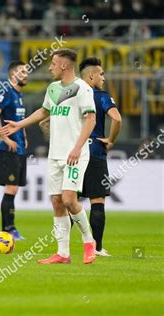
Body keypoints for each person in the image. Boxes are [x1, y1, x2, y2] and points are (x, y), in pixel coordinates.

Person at [1, 48, 97, 264]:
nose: (50, 67)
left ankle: (89, 241)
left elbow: (90, 120)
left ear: (64, 65)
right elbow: (44, 112)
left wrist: (77, 148)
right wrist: (19, 124)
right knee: (56, 201)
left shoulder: (82, 88)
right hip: (56, 154)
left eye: (53, 63)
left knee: (69, 199)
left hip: (75, 154)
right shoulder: (53, 88)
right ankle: (63, 253)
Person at [79, 57, 122, 257]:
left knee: (71, 200)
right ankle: (96, 248)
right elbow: (117, 118)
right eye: (101, 74)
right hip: (95, 152)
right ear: (91, 75)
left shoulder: (72, 95)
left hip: (75, 154)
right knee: (97, 201)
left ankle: (63, 248)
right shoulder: (100, 95)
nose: (104, 78)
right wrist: (110, 140)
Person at [0, 61, 28, 240]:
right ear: (13, 74)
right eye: (22, 71)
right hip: (8, 149)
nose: (26, 74)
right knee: (10, 189)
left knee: (14, 189)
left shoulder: (19, 95)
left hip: (18, 148)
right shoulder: (6, 92)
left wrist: (24, 136)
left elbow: (19, 120)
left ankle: (10, 229)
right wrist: (5, 138)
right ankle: (8, 229)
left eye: (27, 71)